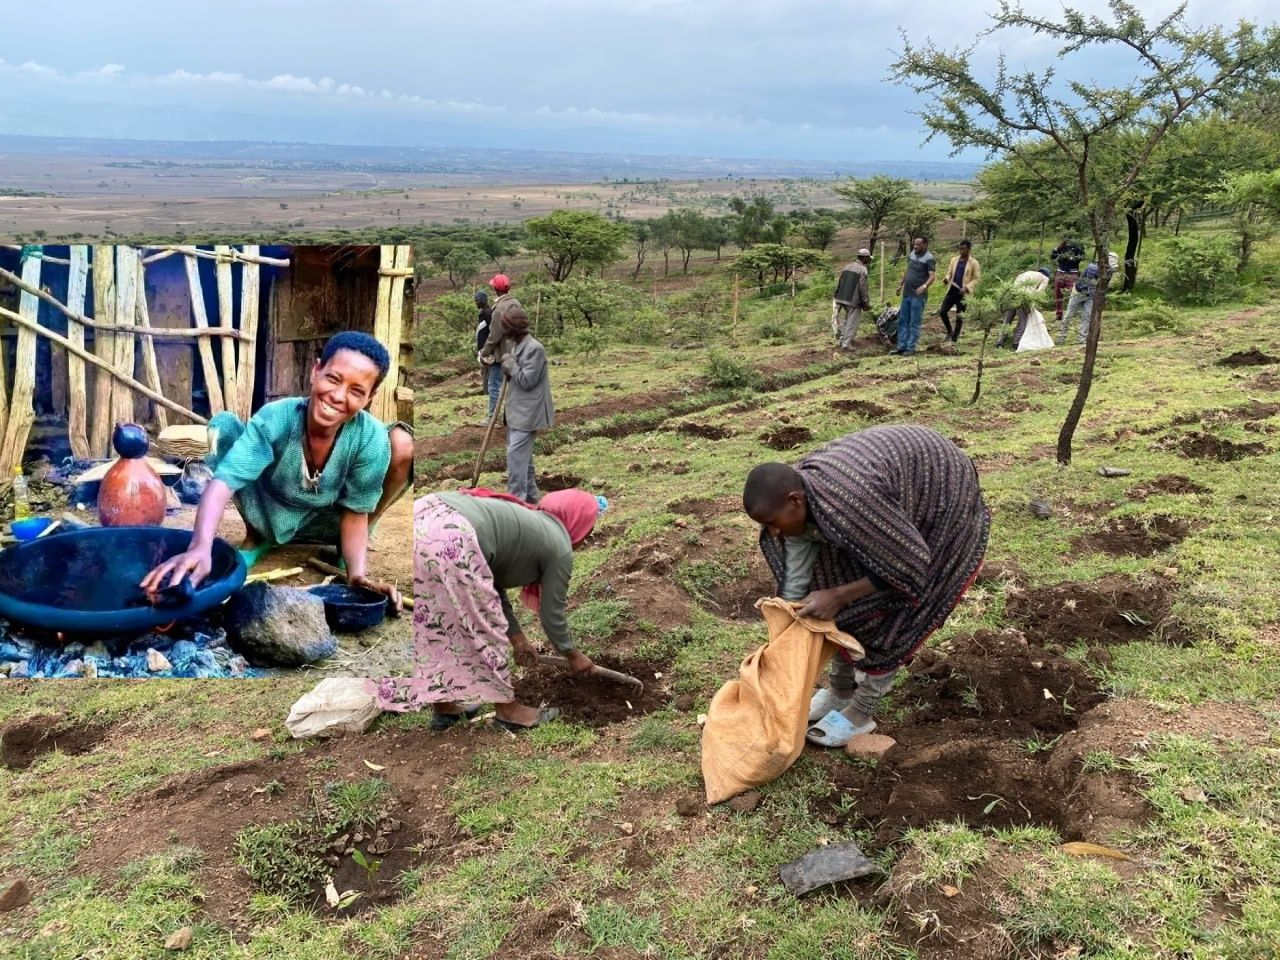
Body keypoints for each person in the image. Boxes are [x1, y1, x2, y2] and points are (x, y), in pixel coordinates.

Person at [742, 425, 989, 747]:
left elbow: (909, 564)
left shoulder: (851, 503)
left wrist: (839, 595)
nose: (772, 533)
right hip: (888, 489)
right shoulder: (803, 502)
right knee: (830, 594)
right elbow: (799, 579)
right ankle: (840, 690)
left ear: (795, 500)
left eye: (773, 523)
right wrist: (790, 616)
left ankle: (861, 711)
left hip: (939, 492)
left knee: (894, 612)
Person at [141, 332, 412, 610]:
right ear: (316, 371)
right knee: (224, 426)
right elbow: (224, 481)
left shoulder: (369, 438)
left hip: (328, 518)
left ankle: (348, 549)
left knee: (403, 442)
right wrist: (200, 546)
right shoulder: (276, 418)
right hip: (269, 511)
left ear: (370, 397)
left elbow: (356, 513)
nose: (338, 396)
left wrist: (356, 578)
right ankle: (258, 535)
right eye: (333, 378)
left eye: (356, 391)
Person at [379, 488, 606, 731]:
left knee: (436, 617)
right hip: (456, 535)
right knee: (485, 626)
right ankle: (509, 711)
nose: (588, 535)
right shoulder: (559, 546)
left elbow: (491, 586)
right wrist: (573, 655)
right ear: (579, 523)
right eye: (590, 528)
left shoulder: (529, 523)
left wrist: (518, 640)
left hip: (425, 517)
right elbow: (552, 614)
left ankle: (444, 706)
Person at [500, 307, 553, 504]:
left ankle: (517, 505)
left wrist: (510, 364)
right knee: (524, 461)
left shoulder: (535, 349)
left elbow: (527, 380)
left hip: (527, 414)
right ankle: (531, 500)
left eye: (505, 326)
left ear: (513, 328)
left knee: (515, 459)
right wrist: (509, 367)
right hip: (516, 412)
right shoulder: (517, 345)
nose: (503, 330)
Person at [1060, 251, 1119, 346]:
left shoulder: (1109, 271)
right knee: (1069, 314)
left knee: (1087, 317)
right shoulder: (1093, 268)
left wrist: (1103, 297)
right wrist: (1098, 299)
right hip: (1078, 293)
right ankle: (1061, 338)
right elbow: (1091, 286)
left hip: (1091, 296)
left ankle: (1082, 339)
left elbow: (1104, 286)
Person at [894, 238, 936, 356]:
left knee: (914, 322)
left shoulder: (929, 258)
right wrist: (900, 285)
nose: (915, 247)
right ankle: (901, 346)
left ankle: (911, 347)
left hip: (918, 296)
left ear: (925, 245)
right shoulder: (912, 254)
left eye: (918, 245)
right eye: (914, 244)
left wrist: (924, 286)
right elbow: (907, 270)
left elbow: (932, 276)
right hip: (907, 293)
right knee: (903, 320)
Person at [937, 239, 981, 344]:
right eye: (960, 249)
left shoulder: (974, 263)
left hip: (963, 293)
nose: (961, 251)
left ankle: (954, 339)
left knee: (960, 316)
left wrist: (967, 287)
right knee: (942, 311)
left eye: (963, 249)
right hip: (952, 290)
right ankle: (949, 331)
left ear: (969, 249)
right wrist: (947, 279)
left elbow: (977, 279)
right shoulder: (954, 260)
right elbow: (949, 273)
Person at [995, 267, 1050, 349]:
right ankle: (1016, 343)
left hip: (1012, 294)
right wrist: (1033, 302)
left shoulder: (1027, 273)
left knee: (1007, 320)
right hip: (1024, 297)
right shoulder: (1045, 278)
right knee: (1022, 321)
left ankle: (1000, 342)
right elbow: (1039, 291)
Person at [832, 249, 873, 351]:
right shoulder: (863, 269)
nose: (869, 260)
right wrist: (866, 303)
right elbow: (863, 288)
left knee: (847, 320)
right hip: (853, 300)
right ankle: (846, 344)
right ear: (864, 258)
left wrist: (836, 294)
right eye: (868, 258)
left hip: (841, 297)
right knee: (852, 322)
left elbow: (840, 281)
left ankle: (842, 340)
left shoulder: (847, 266)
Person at [478, 273, 523, 366]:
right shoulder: (517, 304)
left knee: (495, 376)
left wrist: (484, 352)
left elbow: (494, 336)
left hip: (502, 357)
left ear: (496, 289)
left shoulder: (499, 309)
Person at [474, 290, 502, 422]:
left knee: (493, 382)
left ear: (481, 301)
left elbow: (493, 332)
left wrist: (486, 349)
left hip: (489, 351)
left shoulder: (488, 313)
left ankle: (493, 417)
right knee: (488, 377)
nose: (475, 303)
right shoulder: (484, 312)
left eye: (476, 300)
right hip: (485, 350)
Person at [1050, 235, 1085, 324]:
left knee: (1074, 293)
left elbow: (1082, 257)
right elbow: (1053, 256)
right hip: (1060, 272)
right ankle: (1059, 314)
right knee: (1057, 293)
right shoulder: (1061, 246)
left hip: (1072, 272)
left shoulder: (1077, 246)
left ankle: (1075, 313)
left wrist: (1071, 259)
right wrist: (1056, 251)